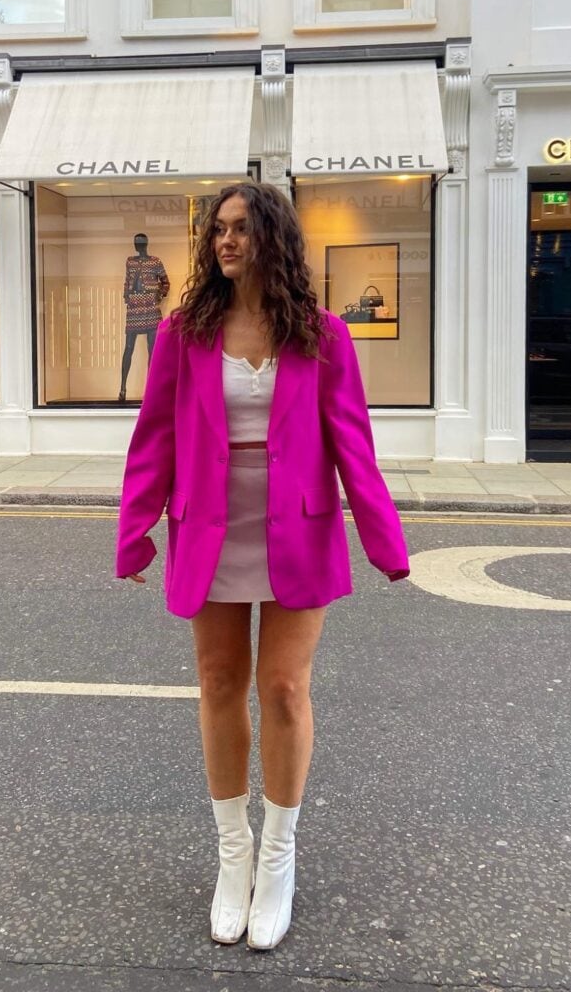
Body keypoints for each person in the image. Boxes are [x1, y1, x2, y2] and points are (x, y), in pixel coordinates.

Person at [116, 182, 409, 950]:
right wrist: (135, 531)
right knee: (218, 683)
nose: (226, 242)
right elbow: (153, 440)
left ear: (273, 236)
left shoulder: (322, 335)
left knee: (282, 688)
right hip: (209, 528)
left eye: (242, 228)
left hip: (298, 532)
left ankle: (278, 856)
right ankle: (232, 854)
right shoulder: (185, 332)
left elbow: (353, 444)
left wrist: (383, 541)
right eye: (217, 230)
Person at [118, 233, 170, 402]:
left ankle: (150, 390)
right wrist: (127, 297)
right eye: (136, 243)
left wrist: (159, 296)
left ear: (146, 244)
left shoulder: (155, 261)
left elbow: (166, 282)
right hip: (134, 309)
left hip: (150, 309)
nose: (137, 246)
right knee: (129, 348)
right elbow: (127, 281)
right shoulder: (130, 261)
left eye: (140, 243)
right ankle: (122, 388)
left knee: (152, 350)